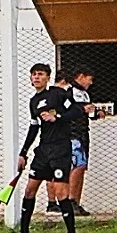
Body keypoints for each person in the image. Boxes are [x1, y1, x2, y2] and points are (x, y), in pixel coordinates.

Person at [8, 63, 84, 233]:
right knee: (29, 190)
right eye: (33, 74)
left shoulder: (57, 94)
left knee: (61, 193)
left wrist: (56, 117)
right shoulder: (33, 101)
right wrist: (23, 153)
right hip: (43, 151)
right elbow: (34, 127)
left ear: (48, 77)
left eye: (40, 74)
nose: (36, 77)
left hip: (60, 150)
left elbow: (77, 110)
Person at [68, 67, 105, 216]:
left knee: (82, 167)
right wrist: (82, 110)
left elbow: (87, 112)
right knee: (77, 166)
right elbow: (67, 112)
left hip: (84, 132)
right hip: (73, 133)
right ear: (81, 76)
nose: (91, 83)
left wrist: (96, 113)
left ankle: (76, 201)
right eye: (90, 79)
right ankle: (70, 200)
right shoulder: (69, 92)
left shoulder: (85, 94)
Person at [45, 72, 70, 216]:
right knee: (59, 173)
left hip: (48, 139)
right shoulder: (61, 95)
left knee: (50, 172)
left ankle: (52, 202)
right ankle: (58, 202)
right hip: (59, 139)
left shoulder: (46, 95)